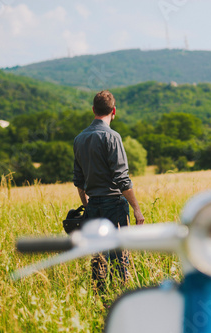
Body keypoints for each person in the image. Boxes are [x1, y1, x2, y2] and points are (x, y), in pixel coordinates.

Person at [73, 90, 145, 290]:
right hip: (114, 204)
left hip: (93, 205)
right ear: (114, 111)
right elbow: (122, 178)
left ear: (93, 110)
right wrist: (137, 209)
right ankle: (120, 298)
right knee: (120, 259)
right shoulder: (112, 137)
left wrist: (87, 205)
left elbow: (78, 180)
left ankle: (100, 300)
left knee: (98, 260)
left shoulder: (79, 139)